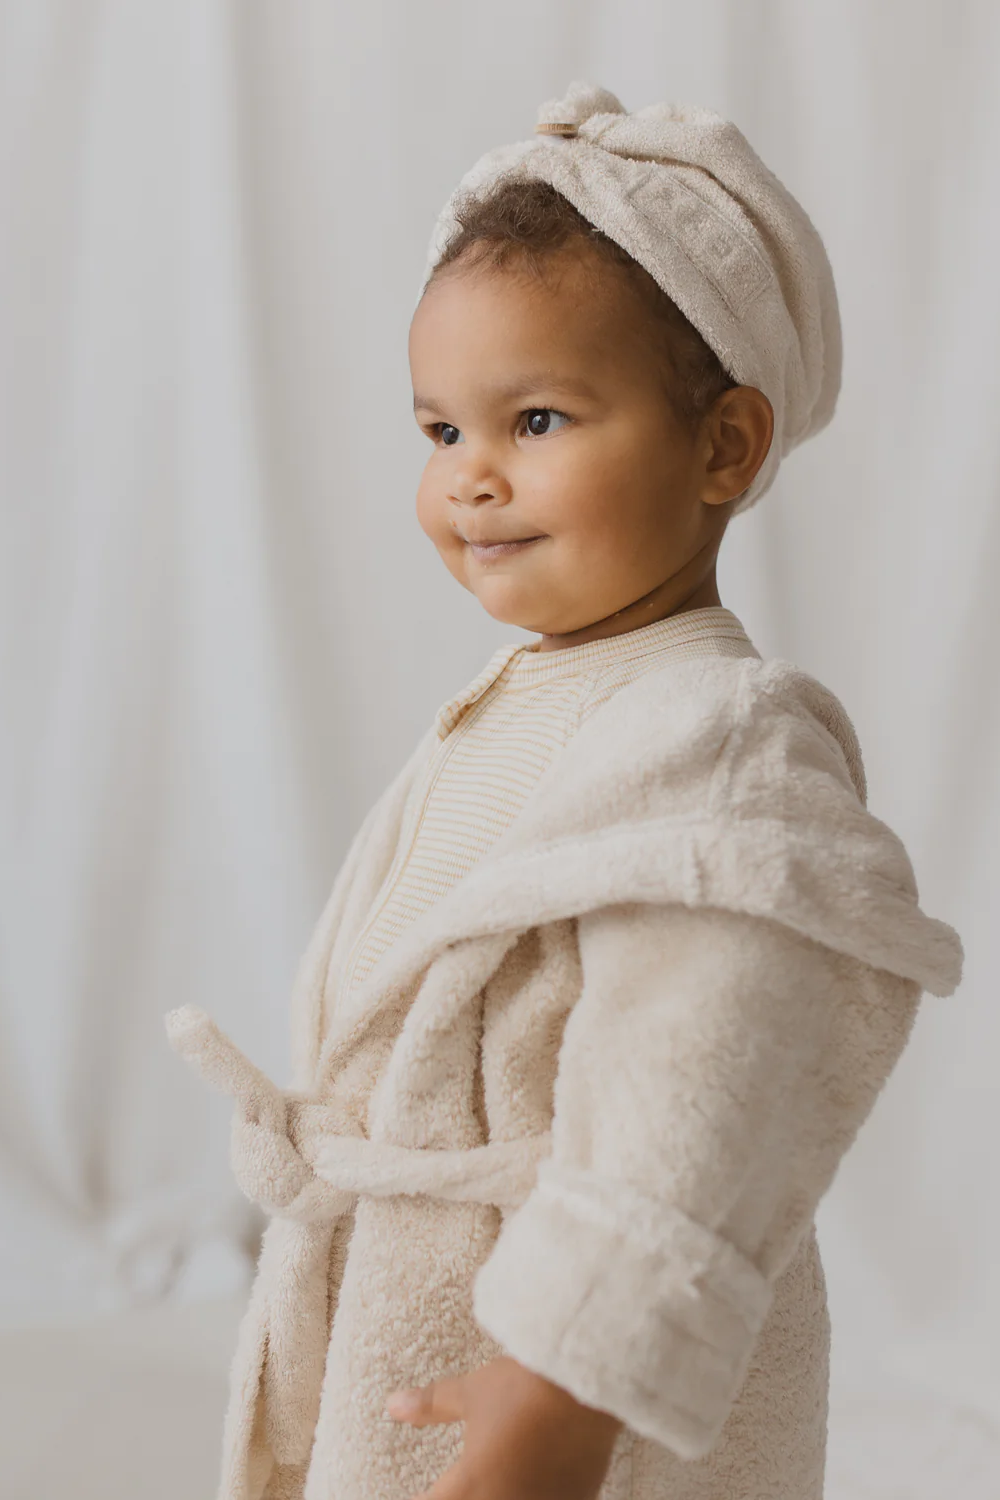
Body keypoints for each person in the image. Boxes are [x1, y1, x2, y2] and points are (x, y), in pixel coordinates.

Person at [168, 81, 963, 1500]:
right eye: (438, 433)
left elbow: (694, 1090)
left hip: (566, 1391)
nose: (471, 480)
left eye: (535, 419)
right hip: (422, 1329)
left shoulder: (724, 740)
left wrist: (568, 1382)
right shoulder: (519, 700)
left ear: (724, 445)